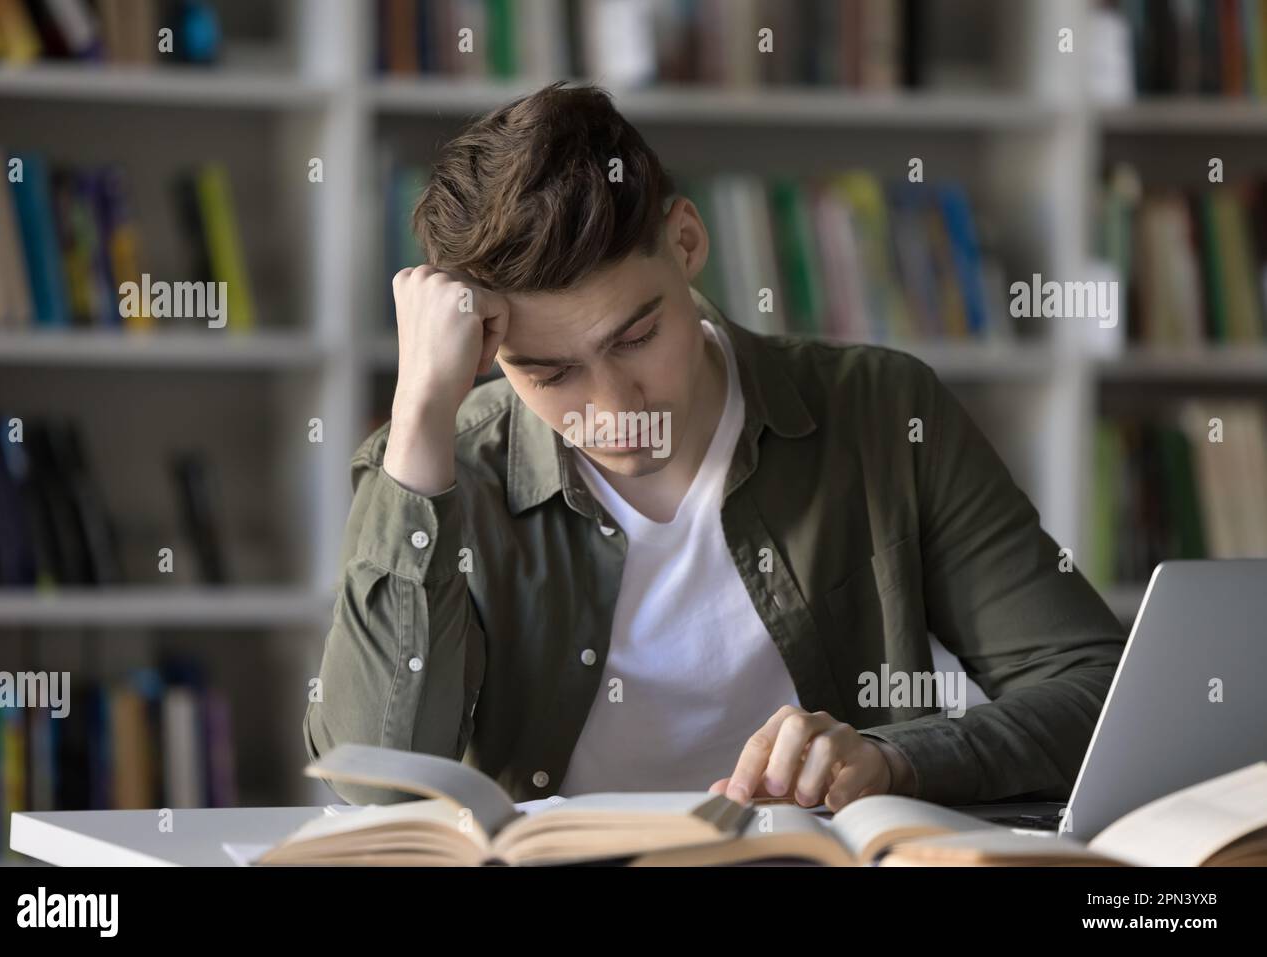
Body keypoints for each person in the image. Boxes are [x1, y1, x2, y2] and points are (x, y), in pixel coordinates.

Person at [304, 81, 1125, 812]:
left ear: (687, 243)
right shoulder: (445, 470)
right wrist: (417, 417)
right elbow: (376, 780)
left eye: (637, 337)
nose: (612, 407)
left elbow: (1100, 697)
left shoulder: (882, 413)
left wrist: (892, 759)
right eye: (549, 373)